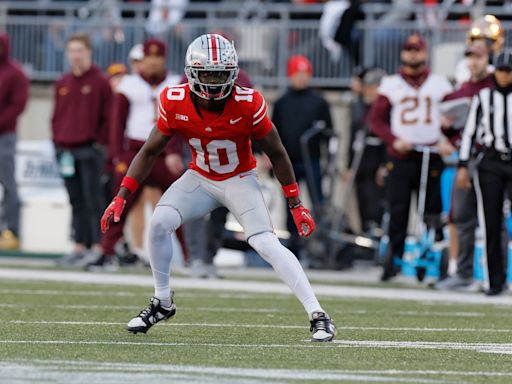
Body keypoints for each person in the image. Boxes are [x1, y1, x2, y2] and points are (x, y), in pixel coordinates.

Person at [101, 33, 337, 342]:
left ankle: (318, 314)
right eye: (208, 74)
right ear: (192, 73)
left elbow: (277, 152)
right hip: (199, 178)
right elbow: (149, 151)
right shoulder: (175, 101)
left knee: (266, 243)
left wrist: (295, 203)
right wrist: (122, 196)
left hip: (239, 179)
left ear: (233, 74)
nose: (213, 82)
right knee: (159, 223)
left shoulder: (248, 102)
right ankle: (162, 302)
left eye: (221, 74)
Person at [92, 38, 185, 268]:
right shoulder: (128, 85)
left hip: (165, 153)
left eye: (157, 57)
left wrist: (175, 150)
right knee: (120, 202)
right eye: (148, 57)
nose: (152, 62)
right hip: (137, 152)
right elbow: (117, 125)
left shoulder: (177, 83)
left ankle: (192, 255)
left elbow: (185, 123)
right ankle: (106, 250)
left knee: (182, 205)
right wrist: (117, 157)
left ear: (164, 59)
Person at [370, 34, 453, 281]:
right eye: (409, 50)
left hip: (431, 153)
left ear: (425, 53)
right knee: (398, 208)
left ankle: (431, 255)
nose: (413, 54)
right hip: (401, 155)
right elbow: (376, 120)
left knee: (432, 210)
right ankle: (394, 259)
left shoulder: (440, 84)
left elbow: (455, 117)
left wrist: (448, 137)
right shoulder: (391, 84)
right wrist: (394, 139)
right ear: (403, 54)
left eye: (416, 50)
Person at [433, 42, 494, 291]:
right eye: (470, 56)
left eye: (478, 57)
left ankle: (494, 276)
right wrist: (445, 132)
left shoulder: (495, 87)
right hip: (463, 159)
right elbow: (449, 128)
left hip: (490, 159)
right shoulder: (462, 90)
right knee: (460, 217)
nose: (473, 61)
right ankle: (463, 272)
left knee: (493, 218)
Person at [52, 33, 112, 266]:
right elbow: (56, 116)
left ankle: (98, 247)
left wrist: (99, 143)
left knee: (93, 199)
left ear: (88, 52)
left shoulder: (99, 81)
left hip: (90, 149)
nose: (75, 55)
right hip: (66, 149)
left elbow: (109, 117)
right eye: (72, 51)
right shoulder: (63, 82)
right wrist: (57, 140)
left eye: (79, 50)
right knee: (75, 200)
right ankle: (79, 245)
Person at [457, 50, 512, 296]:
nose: (505, 75)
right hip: (490, 163)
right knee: (491, 222)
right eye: (501, 70)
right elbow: (469, 133)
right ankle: (494, 281)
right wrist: (462, 166)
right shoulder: (483, 97)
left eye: (509, 71)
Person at [272, 55, 333, 261]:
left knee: (318, 203)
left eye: (305, 74)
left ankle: (318, 246)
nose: (302, 78)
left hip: (312, 161)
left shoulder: (319, 102)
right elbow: (273, 133)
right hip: (288, 163)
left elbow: (328, 133)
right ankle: (294, 246)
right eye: (298, 74)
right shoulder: (282, 103)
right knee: (291, 204)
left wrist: (329, 162)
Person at [346, 68, 387, 235]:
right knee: (363, 205)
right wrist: (350, 166)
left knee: (376, 206)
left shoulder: (385, 110)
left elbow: (386, 139)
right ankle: (366, 240)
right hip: (361, 164)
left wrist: (384, 165)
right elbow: (354, 137)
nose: (367, 91)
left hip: (375, 165)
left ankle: (376, 240)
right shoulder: (362, 108)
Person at [0, 33, 29, 250]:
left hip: (5, 136)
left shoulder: (15, 73)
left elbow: (18, 105)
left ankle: (11, 229)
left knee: (8, 184)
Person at [454, 14, 504, 87]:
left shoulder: (501, 65)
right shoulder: (464, 64)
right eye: (477, 40)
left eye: (488, 43)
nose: (481, 46)